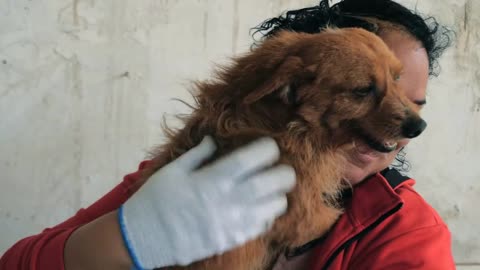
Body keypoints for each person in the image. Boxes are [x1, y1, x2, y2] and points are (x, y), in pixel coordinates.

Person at [0, 0, 455, 269]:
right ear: (285, 90)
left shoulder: (408, 232)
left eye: (414, 100)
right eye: (363, 90)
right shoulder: (192, 179)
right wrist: (123, 240)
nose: (406, 120)